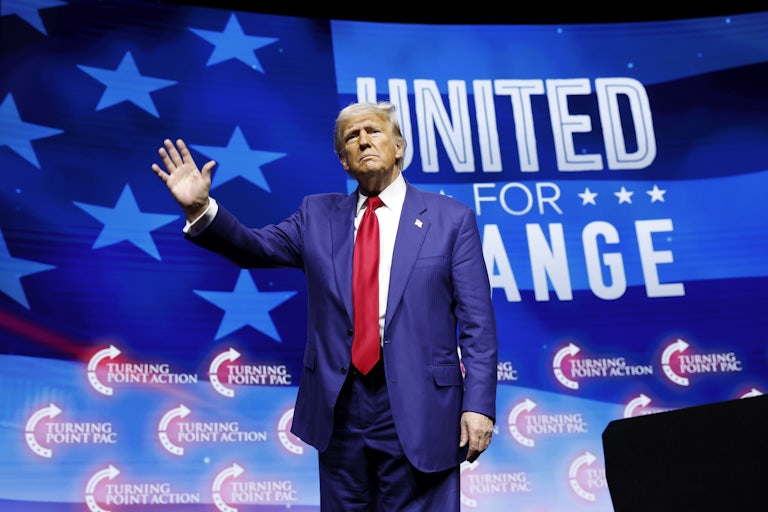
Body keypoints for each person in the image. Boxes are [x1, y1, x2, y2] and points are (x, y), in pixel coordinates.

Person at [151, 101, 498, 511]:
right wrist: (199, 208)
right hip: (341, 408)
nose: (364, 140)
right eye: (352, 137)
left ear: (399, 146)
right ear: (344, 161)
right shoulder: (316, 216)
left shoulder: (451, 219)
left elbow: (477, 324)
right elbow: (253, 247)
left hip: (423, 407)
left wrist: (478, 405)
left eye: (374, 131)